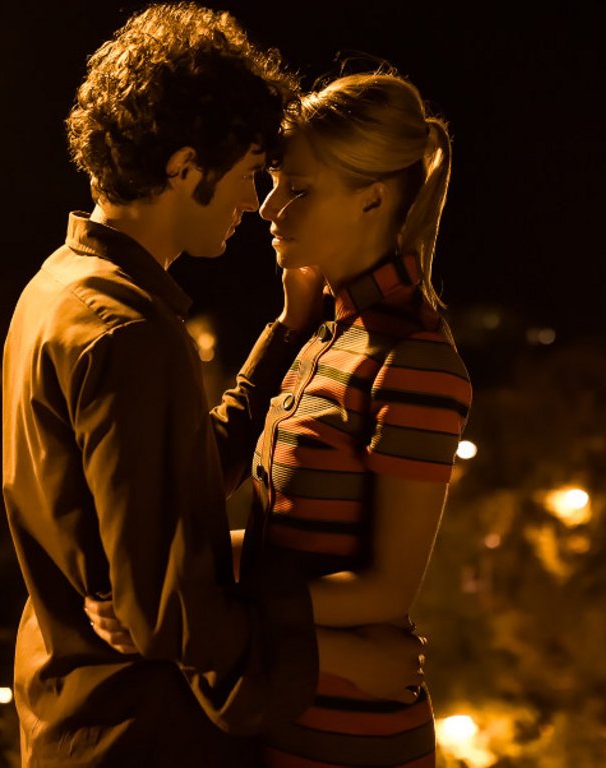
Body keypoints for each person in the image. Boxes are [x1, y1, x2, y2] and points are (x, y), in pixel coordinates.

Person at [2, 4, 424, 767]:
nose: (254, 204)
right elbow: (168, 613)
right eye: (248, 173)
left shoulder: (58, 288)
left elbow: (182, 478)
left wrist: (287, 334)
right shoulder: (129, 332)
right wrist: (342, 661)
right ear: (185, 168)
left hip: (74, 712)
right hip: (137, 732)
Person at [90, 69, 471, 768]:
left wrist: (189, 611)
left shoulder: (412, 359)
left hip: (352, 738)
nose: (268, 208)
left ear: (373, 198)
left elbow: (387, 588)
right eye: (271, 183)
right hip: (278, 714)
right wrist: (155, 587)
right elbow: (280, 544)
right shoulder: (327, 337)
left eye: (297, 189)